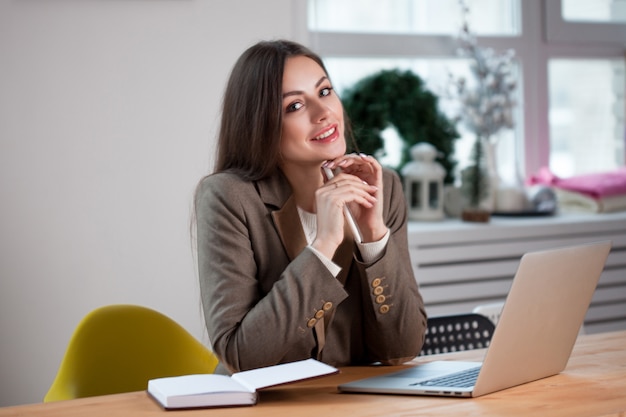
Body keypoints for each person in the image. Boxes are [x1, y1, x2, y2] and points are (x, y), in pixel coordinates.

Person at [195, 39, 427, 374]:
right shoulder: (227, 197)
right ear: (260, 126)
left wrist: (374, 238)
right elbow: (241, 357)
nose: (324, 113)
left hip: (355, 403)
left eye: (325, 91)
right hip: (261, 405)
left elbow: (402, 349)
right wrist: (323, 247)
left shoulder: (381, 186)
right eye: (294, 106)